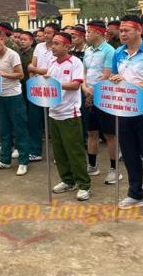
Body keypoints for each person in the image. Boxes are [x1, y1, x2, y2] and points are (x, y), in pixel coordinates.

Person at [110, 15, 143, 219]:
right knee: (129, 154)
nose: (122, 34)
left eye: (127, 30)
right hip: (124, 109)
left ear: (139, 30)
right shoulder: (118, 53)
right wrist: (115, 80)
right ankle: (135, 194)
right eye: (121, 30)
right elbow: (113, 78)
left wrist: (129, 85)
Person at [48, 32, 91, 201]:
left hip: (69, 113)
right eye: (53, 43)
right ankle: (67, 180)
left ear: (67, 46)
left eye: (57, 43)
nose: (53, 46)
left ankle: (84, 185)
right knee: (59, 152)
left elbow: (75, 85)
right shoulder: (52, 63)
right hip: (53, 112)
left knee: (74, 151)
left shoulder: (75, 62)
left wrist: (54, 84)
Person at [0, 30, 31, 176]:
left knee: (20, 129)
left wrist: (3, 74)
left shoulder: (12, 55)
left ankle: (23, 162)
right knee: (4, 130)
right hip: (0, 95)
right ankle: (5, 160)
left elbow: (21, 75)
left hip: (14, 96)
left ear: (2, 39)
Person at [83, 20, 121, 184]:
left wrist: (92, 93)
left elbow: (106, 75)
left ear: (98, 33)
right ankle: (92, 165)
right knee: (91, 132)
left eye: (89, 32)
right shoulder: (88, 51)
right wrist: (85, 89)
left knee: (110, 134)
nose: (86, 35)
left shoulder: (109, 51)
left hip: (105, 97)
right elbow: (84, 73)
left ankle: (114, 169)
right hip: (89, 95)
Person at [26, 22, 59, 160]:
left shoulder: (58, 48)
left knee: (54, 122)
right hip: (37, 86)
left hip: (52, 87)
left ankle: (58, 154)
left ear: (55, 34)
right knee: (34, 120)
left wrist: (35, 70)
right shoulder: (39, 47)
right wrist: (33, 75)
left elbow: (51, 71)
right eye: (44, 32)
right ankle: (35, 151)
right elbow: (31, 65)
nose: (46, 35)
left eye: (49, 33)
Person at [18, 31, 41, 162]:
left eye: (25, 39)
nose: (22, 41)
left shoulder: (34, 54)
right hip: (20, 89)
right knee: (23, 119)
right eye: (21, 39)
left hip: (32, 88)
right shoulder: (18, 53)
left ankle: (35, 148)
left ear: (31, 41)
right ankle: (24, 146)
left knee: (34, 120)